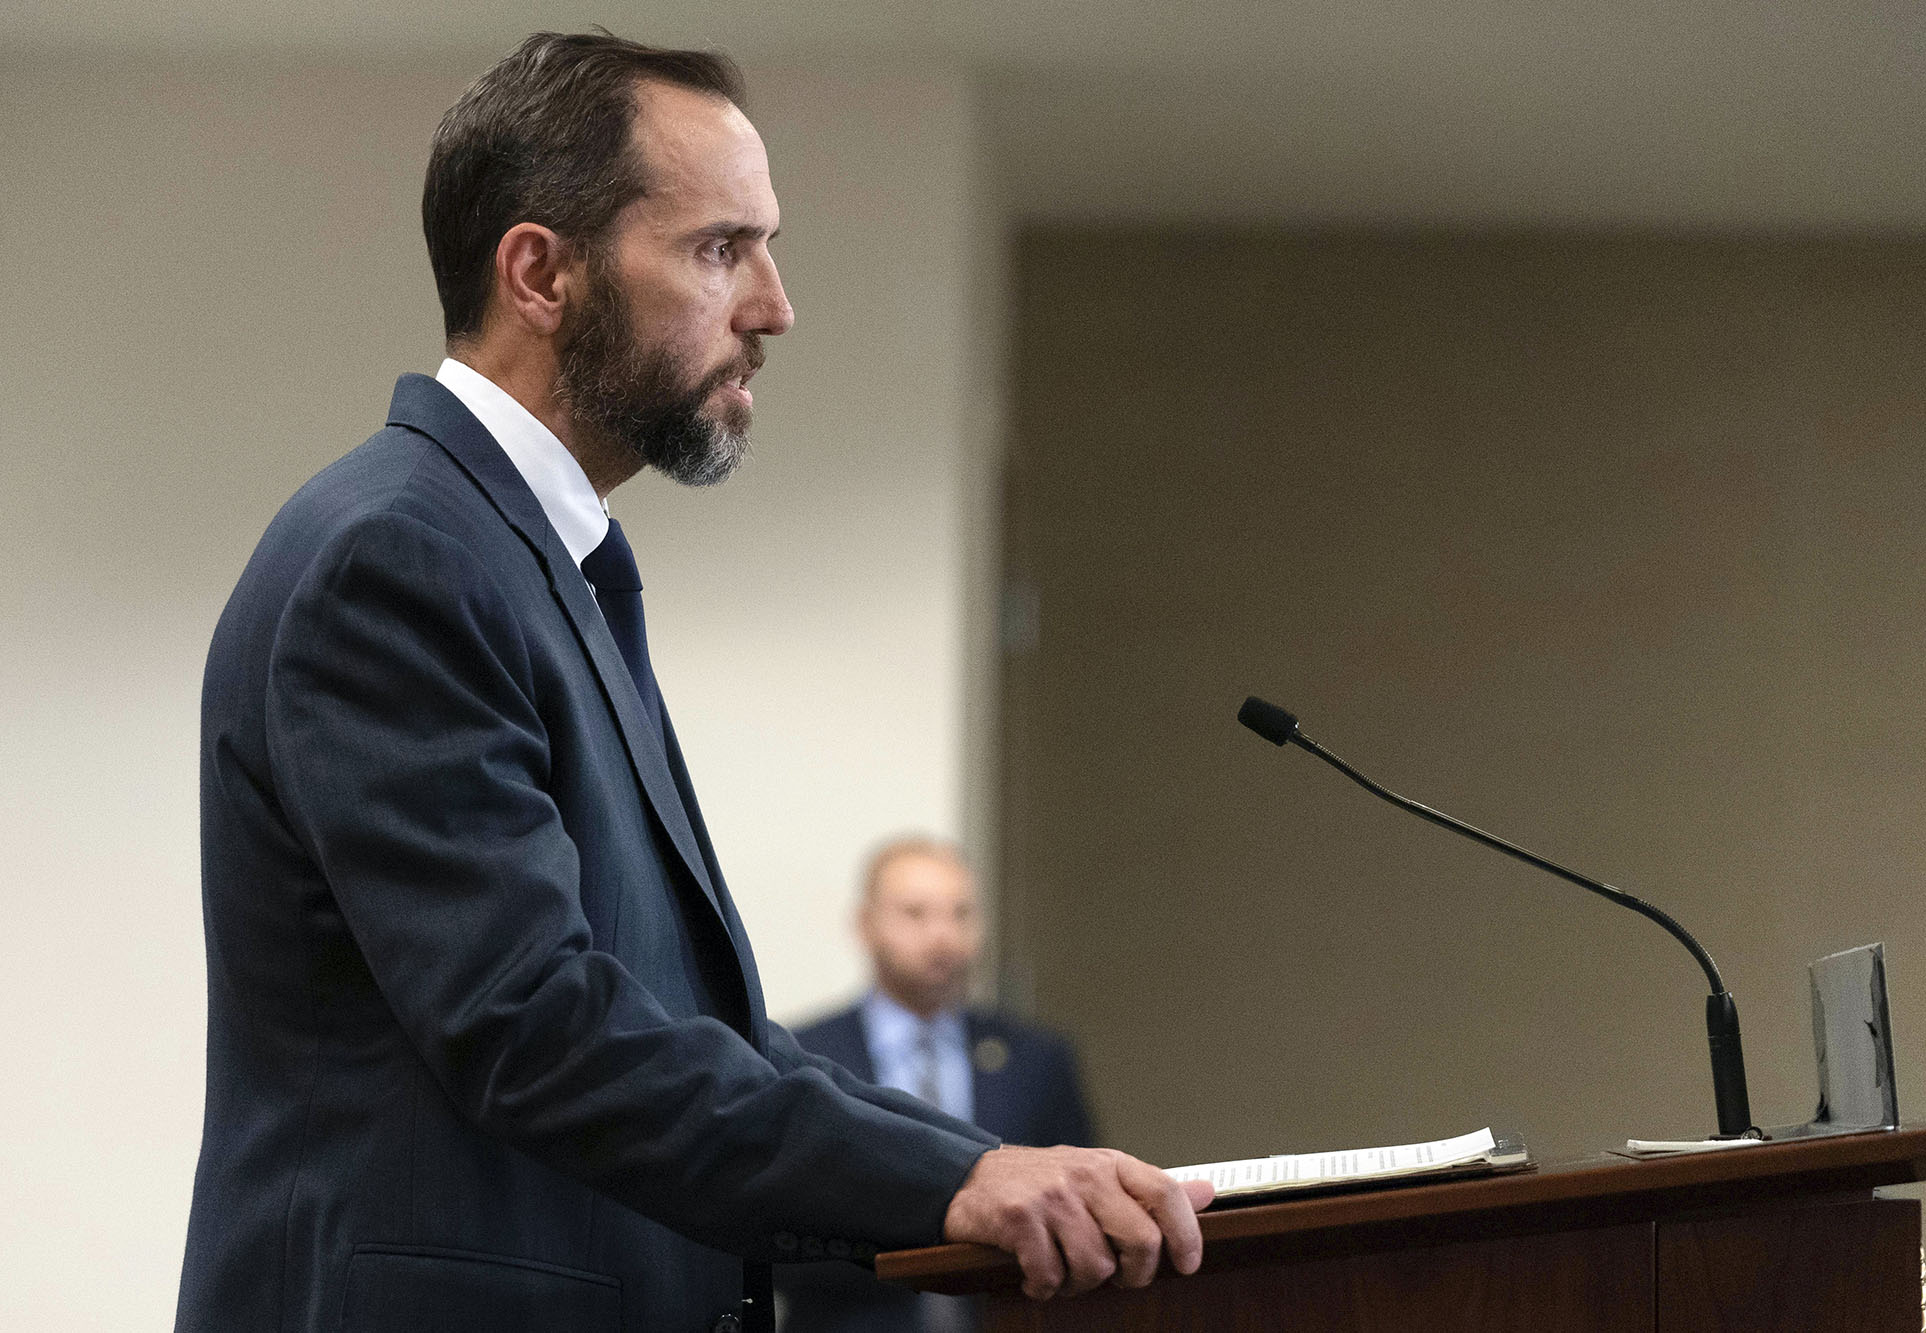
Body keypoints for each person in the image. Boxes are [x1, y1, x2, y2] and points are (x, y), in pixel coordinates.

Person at [173, 31, 1210, 1333]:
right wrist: (959, 1173)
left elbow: (691, 1032)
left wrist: (989, 1169)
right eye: (723, 248)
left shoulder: (543, 559)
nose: (774, 305)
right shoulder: (400, 557)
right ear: (541, 272)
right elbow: (536, 1024)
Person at [779, 837, 1097, 1332]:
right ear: (865, 925)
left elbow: (1080, 1210)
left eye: (961, 914)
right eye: (916, 914)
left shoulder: (1037, 1060)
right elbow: (779, 1225)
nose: (943, 936)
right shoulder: (803, 1057)